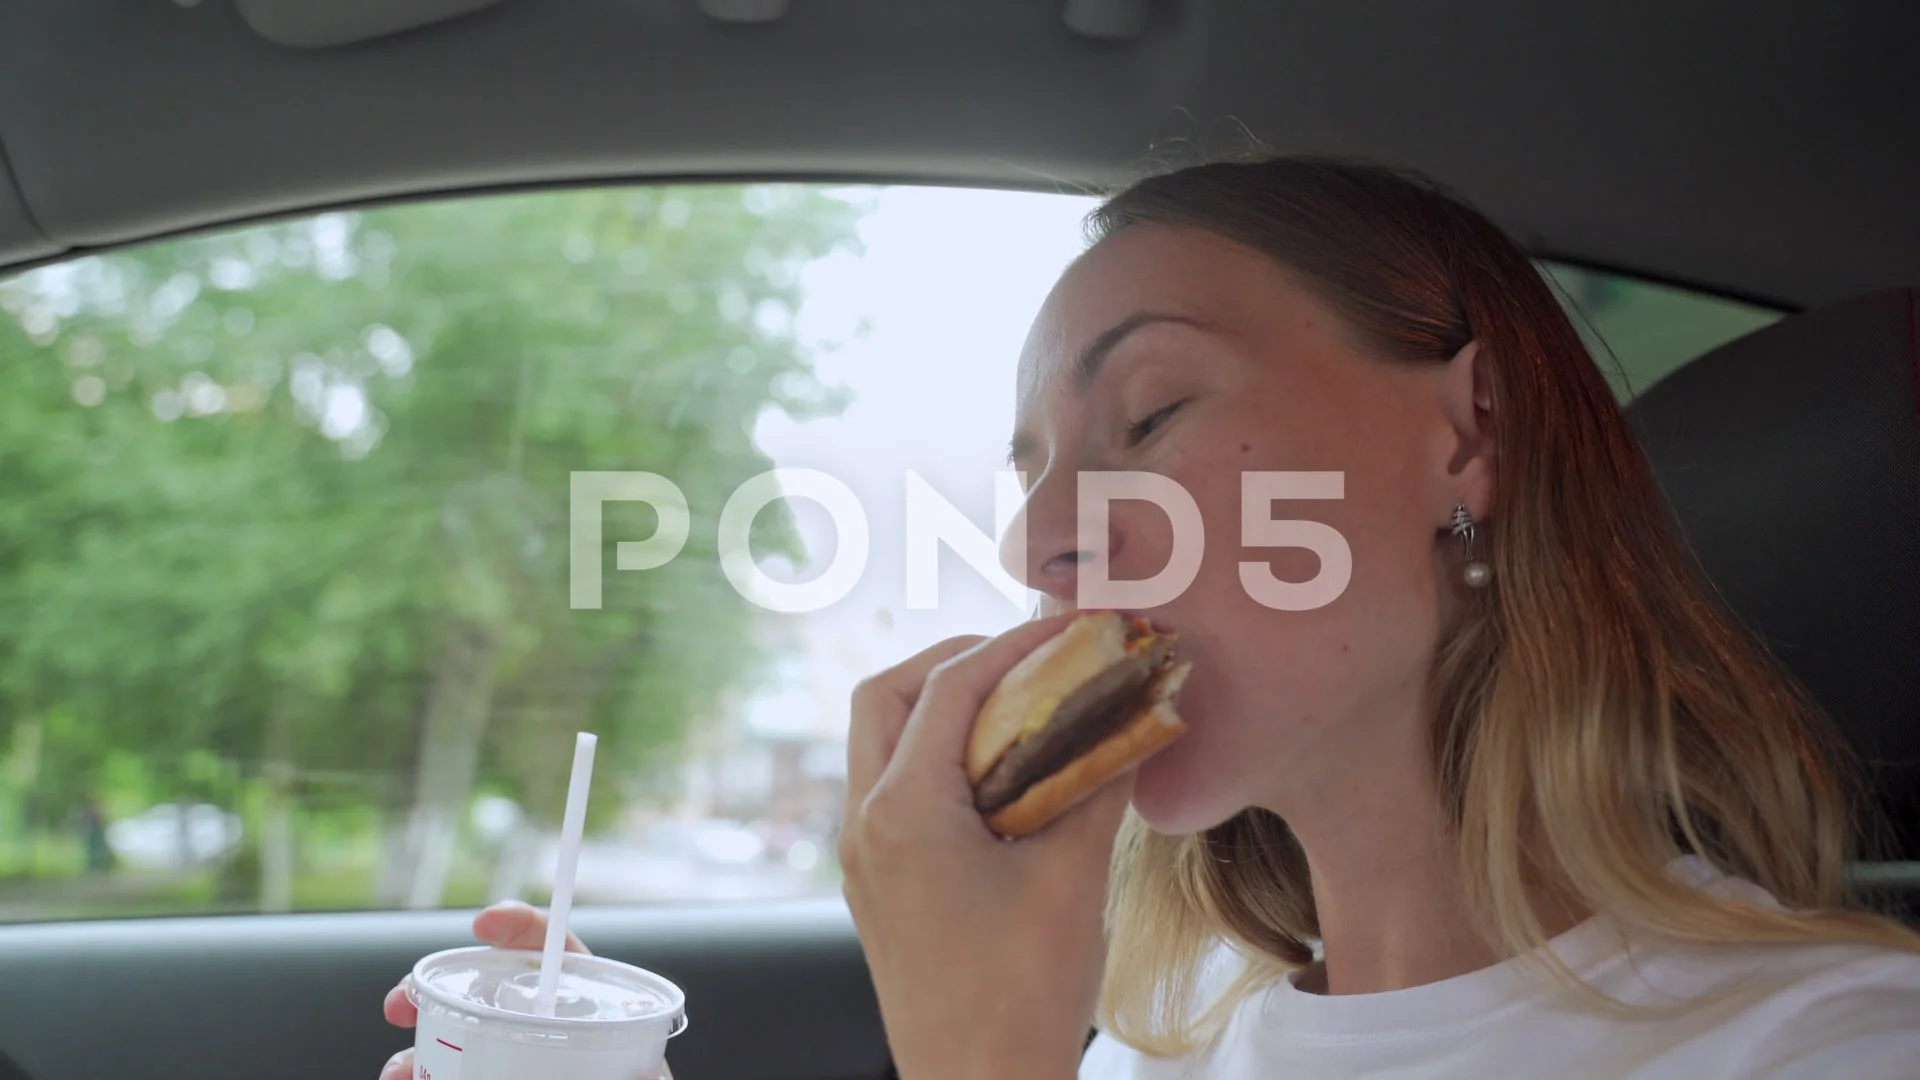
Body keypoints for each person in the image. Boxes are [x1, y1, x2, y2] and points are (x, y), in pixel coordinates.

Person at [377, 157, 1920, 1079]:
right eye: (1030, 470)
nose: (1043, 540)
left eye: (1150, 410)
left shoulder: (1831, 1049)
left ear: (1472, 436)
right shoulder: (1174, 1019)